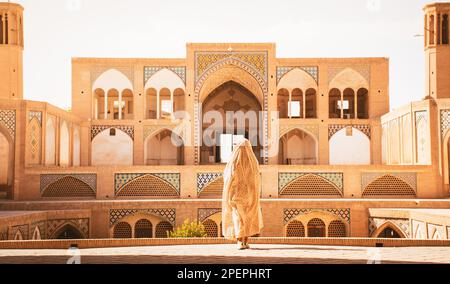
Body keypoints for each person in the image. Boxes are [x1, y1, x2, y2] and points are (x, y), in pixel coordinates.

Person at [222, 139, 263, 250]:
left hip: (237, 195)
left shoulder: (234, 162)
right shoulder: (253, 162)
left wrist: (228, 195)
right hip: (249, 195)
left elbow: (228, 179)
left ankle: (240, 241)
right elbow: (256, 180)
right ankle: (245, 241)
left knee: (239, 217)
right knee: (247, 218)